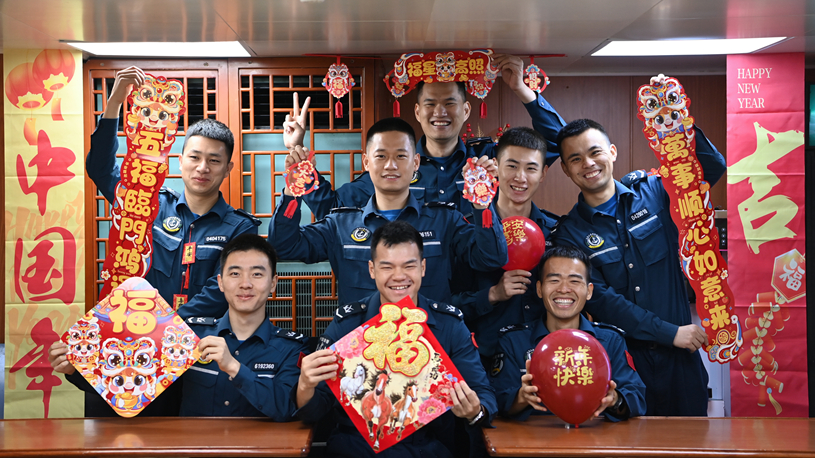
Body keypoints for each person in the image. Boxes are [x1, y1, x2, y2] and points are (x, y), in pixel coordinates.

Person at [549, 113, 725, 416]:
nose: (588, 164)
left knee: (691, 438)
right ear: (565, 169)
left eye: (595, 152)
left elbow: (711, 167)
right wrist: (669, 333)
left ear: (612, 152)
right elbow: (603, 301)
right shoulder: (570, 233)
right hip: (623, 364)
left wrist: (676, 119)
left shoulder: (655, 192)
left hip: (681, 362)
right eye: (575, 159)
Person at [294, 221, 496, 457]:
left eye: (409, 266)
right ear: (372, 270)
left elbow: (483, 393)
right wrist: (305, 385)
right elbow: (316, 409)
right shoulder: (348, 324)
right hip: (357, 448)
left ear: (423, 267)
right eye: (387, 267)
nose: (399, 276)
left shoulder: (449, 325)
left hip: (427, 446)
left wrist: (475, 411)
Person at [49, 234, 307, 419]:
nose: (245, 283)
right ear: (220, 282)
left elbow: (287, 409)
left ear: (273, 283)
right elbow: (134, 386)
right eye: (235, 273)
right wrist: (75, 369)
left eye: (257, 274)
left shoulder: (291, 348)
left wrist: (234, 367)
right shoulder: (186, 335)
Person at [282, 55, 566, 219]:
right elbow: (332, 207)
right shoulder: (395, 167)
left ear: (466, 110)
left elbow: (557, 143)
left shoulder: (488, 160)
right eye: (430, 103)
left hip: (482, 290)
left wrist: (522, 91)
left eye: (450, 103)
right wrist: (297, 152)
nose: (440, 112)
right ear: (418, 112)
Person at [269, 117, 508, 306]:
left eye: (401, 156)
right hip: (361, 346)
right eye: (381, 156)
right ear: (367, 162)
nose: (391, 165)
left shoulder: (444, 221)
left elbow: (491, 258)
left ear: (415, 163)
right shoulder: (340, 225)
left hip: (427, 343)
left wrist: (482, 204)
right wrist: (293, 191)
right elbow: (283, 246)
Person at [87, 66, 260, 321]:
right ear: (180, 162)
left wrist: (168, 327)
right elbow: (100, 169)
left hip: (201, 339)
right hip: (141, 331)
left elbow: (220, 290)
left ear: (227, 169)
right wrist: (114, 104)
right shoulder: (146, 202)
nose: (202, 168)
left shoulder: (241, 228)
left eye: (214, 161)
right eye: (195, 157)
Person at [490, 245, 646, 422]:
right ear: (539, 289)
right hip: (532, 437)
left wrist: (615, 399)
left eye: (574, 281)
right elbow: (495, 400)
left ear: (589, 291)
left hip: (595, 435)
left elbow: (637, 399)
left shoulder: (610, 341)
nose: (564, 289)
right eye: (554, 280)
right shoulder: (513, 341)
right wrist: (521, 397)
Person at [451, 127, 560, 366]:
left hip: (546, 358)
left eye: (531, 168)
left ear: (543, 173)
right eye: (511, 166)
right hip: (484, 361)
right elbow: (449, 304)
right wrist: (492, 294)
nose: (520, 177)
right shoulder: (466, 229)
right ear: (496, 167)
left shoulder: (556, 230)